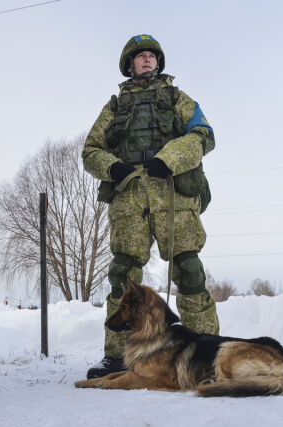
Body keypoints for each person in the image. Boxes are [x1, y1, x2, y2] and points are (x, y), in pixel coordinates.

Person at [82, 34, 219, 379]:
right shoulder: (114, 107)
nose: (146, 59)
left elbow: (203, 133)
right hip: (130, 194)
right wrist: (114, 168)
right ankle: (116, 357)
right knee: (122, 276)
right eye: (139, 56)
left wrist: (170, 158)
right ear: (129, 65)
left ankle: (211, 354)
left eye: (151, 55)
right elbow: (91, 150)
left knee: (189, 269)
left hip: (172, 190)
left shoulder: (176, 98)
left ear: (158, 62)